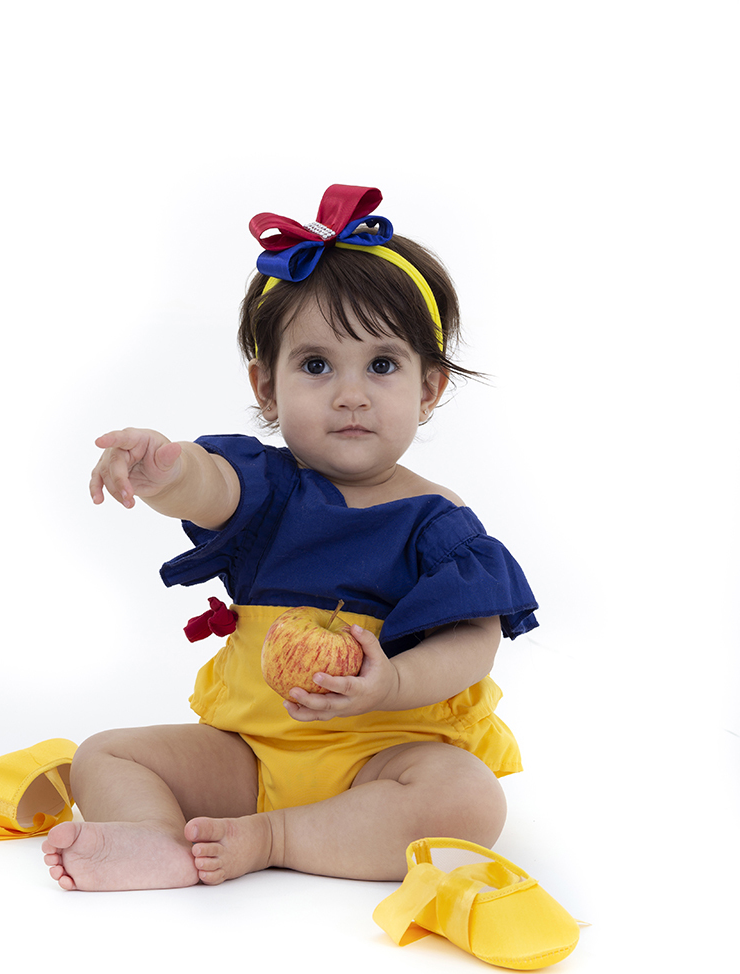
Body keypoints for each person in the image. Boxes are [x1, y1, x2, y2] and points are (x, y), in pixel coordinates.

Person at [42, 184, 539, 892]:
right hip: (252, 754)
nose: (350, 394)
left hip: (382, 756)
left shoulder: (436, 520)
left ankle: (275, 837)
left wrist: (393, 682)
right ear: (266, 389)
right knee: (105, 754)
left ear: (429, 388)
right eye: (315, 365)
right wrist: (167, 469)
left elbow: (473, 640)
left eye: (382, 365)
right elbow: (212, 486)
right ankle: (156, 841)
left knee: (468, 798)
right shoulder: (270, 490)